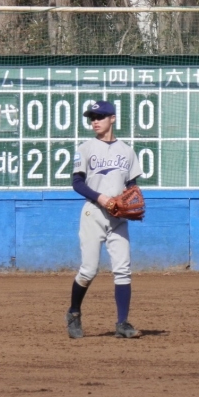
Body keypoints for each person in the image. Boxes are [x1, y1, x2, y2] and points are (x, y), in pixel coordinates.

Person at [66, 100, 143, 339]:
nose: (95, 121)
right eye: (92, 118)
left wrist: (129, 200)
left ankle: (122, 323)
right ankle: (74, 312)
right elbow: (77, 183)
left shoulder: (127, 151)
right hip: (93, 213)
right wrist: (101, 198)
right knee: (88, 270)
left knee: (123, 270)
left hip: (118, 217)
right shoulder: (85, 148)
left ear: (113, 118)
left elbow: (132, 185)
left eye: (100, 117)